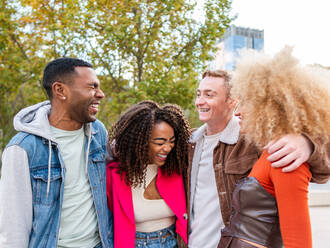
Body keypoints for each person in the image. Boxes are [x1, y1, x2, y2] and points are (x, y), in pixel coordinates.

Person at [186, 68, 330, 247]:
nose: (199, 101)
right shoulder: (189, 143)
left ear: (269, 108)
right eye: (198, 94)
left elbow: (298, 241)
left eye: (209, 94)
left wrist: (308, 143)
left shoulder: (275, 151)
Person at [0, 58, 114, 248]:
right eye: (92, 87)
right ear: (60, 90)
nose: (100, 94)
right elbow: (14, 225)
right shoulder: (23, 148)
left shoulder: (97, 131)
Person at [106, 100, 190, 248]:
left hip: (173, 242)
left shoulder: (176, 169)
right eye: (160, 142)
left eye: (172, 141)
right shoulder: (115, 175)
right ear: (141, 141)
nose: (168, 148)